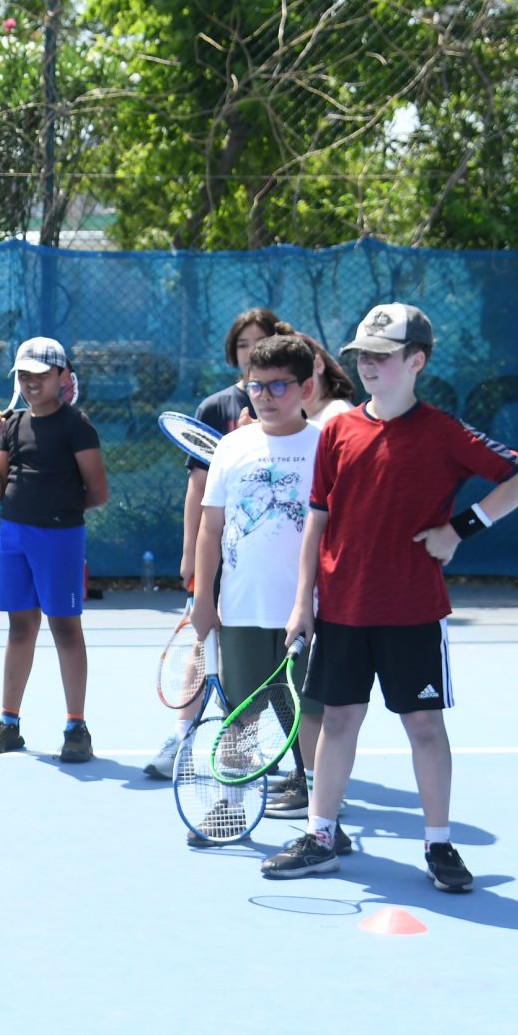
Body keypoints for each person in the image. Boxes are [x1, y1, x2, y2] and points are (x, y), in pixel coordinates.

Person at [265, 303, 518, 890]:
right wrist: (301, 602)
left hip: (413, 611)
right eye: (363, 355)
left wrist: (460, 530)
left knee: (423, 725)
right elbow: (317, 519)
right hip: (341, 607)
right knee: (338, 722)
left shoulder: (443, 434)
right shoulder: (338, 429)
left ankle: (439, 846)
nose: (369, 365)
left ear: (416, 361)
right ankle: (320, 838)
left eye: (383, 356)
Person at [190, 333, 326, 828]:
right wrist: (204, 598)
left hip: (310, 611)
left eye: (278, 386)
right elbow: (211, 526)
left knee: (310, 716)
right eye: (256, 386)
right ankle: (230, 804)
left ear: (307, 388)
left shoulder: (326, 446)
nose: (265, 396)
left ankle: (321, 820)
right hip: (242, 609)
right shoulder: (231, 447)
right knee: (241, 715)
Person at [148, 306, 286, 780]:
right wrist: (191, 553)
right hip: (220, 554)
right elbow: (199, 491)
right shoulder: (215, 407)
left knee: (273, 658)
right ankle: (182, 738)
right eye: (243, 344)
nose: (250, 352)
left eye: (259, 342)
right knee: (203, 643)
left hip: (268, 559)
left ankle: (265, 752)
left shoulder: (290, 412)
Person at [0, 338, 108, 761]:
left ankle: (76, 728)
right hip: (13, 536)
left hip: (60, 539)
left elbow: (98, 491)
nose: (31, 382)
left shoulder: (77, 425)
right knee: (19, 627)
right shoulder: (10, 426)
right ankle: (8, 723)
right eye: (24, 375)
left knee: (65, 628)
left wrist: (59, 516)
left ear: (62, 377)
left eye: (40, 374)